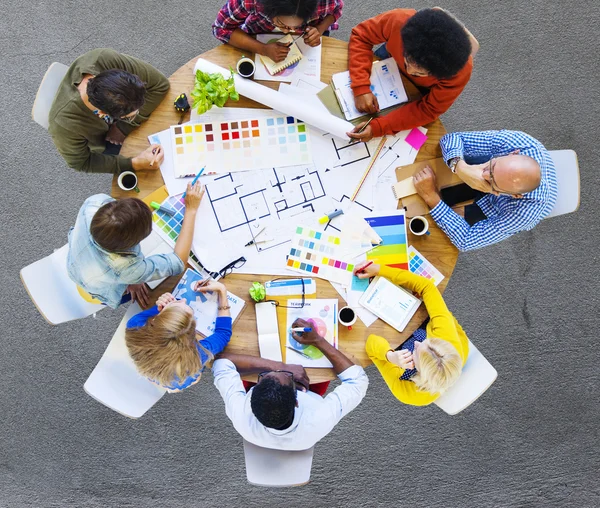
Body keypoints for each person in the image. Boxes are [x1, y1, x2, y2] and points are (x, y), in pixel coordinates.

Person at [212, 318, 368, 450]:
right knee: (322, 369)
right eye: (287, 376)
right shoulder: (320, 417)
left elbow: (221, 363)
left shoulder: (241, 414)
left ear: (250, 398)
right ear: (297, 400)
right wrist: (317, 340)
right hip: (308, 392)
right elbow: (357, 381)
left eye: (263, 377)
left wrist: (281, 367)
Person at [413, 130, 558, 251]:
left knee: (439, 218)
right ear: (513, 154)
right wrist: (459, 166)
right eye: (493, 167)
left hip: (496, 206)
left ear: (515, 195)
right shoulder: (518, 141)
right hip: (497, 185)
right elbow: (453, 138)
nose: (482, 176)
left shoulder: (524, 213)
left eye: (492, 181)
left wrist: (432, 198)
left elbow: (466, 241)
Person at [67, 182, 204, 308]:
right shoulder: (130, 269)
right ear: (129, 245)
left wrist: (133, 278)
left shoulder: (95, 203)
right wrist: (191, 210)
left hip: (74, 263)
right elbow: (179, 261)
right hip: (101, 288)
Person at [346, 8, 475, 142]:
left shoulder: (459, 72)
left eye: (420, 73)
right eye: (407, 61)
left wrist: (379, 127)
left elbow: (429, 109)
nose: (409, 72)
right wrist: (360, 86)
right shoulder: (399, 20)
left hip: (422, 90)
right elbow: (361, 35)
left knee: (415, 134)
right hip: (389, 58)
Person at [355, 261, 468, 406]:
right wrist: (381, 269)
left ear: (419, 372)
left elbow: (371, 343)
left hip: (395, 347)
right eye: (427, 341)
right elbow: (427, 287)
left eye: (416, 351)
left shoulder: (408, 394)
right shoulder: (446, 338)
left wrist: (389, 356)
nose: (416, 342)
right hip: (424, 321)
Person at [48, 48, 170, 173]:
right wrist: (135, 163)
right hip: (104, 141)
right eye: (130, 116)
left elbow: (160, 85)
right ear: (101, 114)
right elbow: (81, 162)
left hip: (118, 127)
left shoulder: (104, 59)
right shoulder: (64, 125)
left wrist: (123, 127)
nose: (137, 113)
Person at [212, 0, 343, 64]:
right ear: (269, 7)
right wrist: (263, 49)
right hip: (259, 29)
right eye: (281, 23)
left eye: (297, 24)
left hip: (309, 33)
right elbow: (221, 28)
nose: (288, 32)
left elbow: (337, 10)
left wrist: (319, 29)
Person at [125, 280, 232, 392]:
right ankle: (176, 387)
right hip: (179, 378)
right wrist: (222, 292)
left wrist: (160, 308)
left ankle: (167, 386)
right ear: (191, 335)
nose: (184, 299)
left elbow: (143, 318)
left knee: (165, 379)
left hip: (150, 367)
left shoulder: (135, 327)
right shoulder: (198, 355)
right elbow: (223, 334)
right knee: (191, 378)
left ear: (157, 318)